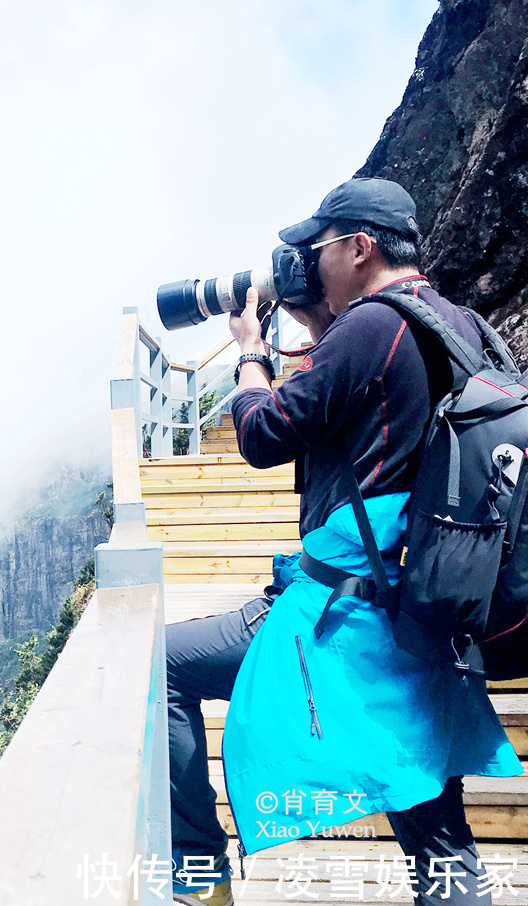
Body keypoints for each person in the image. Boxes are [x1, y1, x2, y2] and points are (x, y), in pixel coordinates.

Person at [168, 178, 522, 906]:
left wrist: (248, 353)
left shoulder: (370, 326)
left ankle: (197, 875)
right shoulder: (454, 322)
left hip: (352, 614)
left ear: (360, 248)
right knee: (440, 844)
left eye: (320, 246)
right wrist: (314, 320)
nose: (309, 259)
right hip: (420, 600)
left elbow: (266, 436)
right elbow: (370, 414)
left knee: (160, 669)